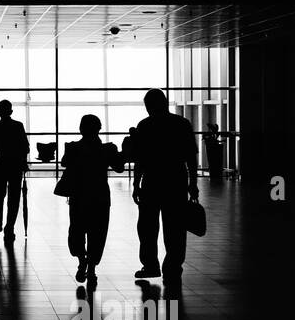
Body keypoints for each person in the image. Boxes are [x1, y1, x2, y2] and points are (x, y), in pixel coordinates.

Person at [132, 90, 198, 280]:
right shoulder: (181, 124)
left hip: (152, 180)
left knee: (147, 227)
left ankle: (150, 265)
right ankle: (173, 266)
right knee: (175, 226)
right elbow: (190, 158)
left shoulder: (145, 125)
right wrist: (192, 184)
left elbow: (140, 159)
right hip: (175, 179)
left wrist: (136, 184)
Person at [62, 115, 124, 283]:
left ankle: (82, 262)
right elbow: (119, 168)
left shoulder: (74, 148)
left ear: (81, 129)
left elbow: (64, 163)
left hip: (79, 195)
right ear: (99, 128)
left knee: (77, 230)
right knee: (98, 232)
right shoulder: (107, 149)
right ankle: (92, 268)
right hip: (100, 196)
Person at [0, 100, 29, 242]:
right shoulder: (18, 126)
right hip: (15, 164)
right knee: (14, 198)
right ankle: (10, 228)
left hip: (1, 162)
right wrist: (23, 162)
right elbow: (25, 147)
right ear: (11, 111)